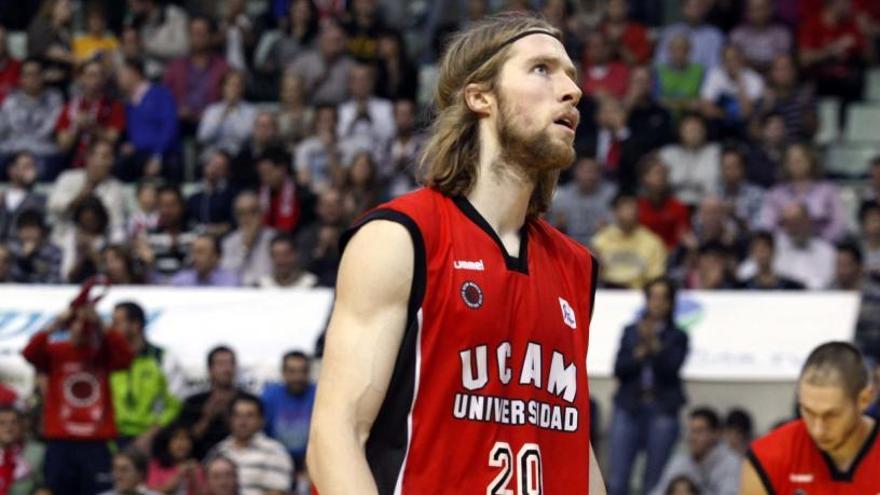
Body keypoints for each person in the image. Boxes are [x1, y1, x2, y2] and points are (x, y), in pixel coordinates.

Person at [308, 13, 606, 495]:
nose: (571, 90)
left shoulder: (576, 265)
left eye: (571, 75)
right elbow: (335, 437)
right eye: (542, 70)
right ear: (480, 96)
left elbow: (572, 444)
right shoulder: (401, 237)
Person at [22, 299, 134, 495]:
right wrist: (56, 323)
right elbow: (29, 352)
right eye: (77, 323)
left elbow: (126, 357)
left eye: (87, 325)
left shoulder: (102, 353)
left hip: (95, 443)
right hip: (61, 441)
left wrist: (101, 324)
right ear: (69, 325)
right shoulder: (56, 351)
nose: (82, 328)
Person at [739, 342, 880, 493]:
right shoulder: (767, 456)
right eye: (808, 411)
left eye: (831, 415)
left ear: (864, 399)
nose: (818, 429)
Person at [608, 277, 689, 495]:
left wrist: (654, 346)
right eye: (653, 297)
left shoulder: (678, 336)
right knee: (617, 480)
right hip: (629, 406)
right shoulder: (630, 332)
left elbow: (672, 368)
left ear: (671, 302)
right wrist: (638, 353)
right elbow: (619, 368)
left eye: (663, 298)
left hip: (662, 409)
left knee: (653, 482)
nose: (657, 303)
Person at [110, 301, 184, 451]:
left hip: (152, 438)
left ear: (136, 325)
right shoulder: (107, 359)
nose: (112, 327)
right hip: (112, 440)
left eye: (117, 322)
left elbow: (175, 403)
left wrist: (150, 435)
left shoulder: (163, 357)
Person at [758, 143, 847, 243]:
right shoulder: (775, 193)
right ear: (785, 164)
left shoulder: (828, 190)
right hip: (783, 249)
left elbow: (839, 223)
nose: (797, 163)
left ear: (811, 161)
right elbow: (766, 225)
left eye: (801, 159)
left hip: (823, 246)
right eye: (792, 160)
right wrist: (784, 244)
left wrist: (820, 243)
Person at [208, 395, 293, 495]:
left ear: (261, 420)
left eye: (250, 415)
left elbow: (279, 492)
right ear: (230, 419)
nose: (242, 421)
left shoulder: (275, 451)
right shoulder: (218, 450)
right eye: (237, 415)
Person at [47, 139, 127, 245]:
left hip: (99, 245)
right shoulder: (68, 178)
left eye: (112, 157)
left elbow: (117, 225)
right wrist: (79, 198)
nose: (110, 162)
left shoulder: (115, 188)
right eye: (105, 157)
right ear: (89, 157)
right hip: (62, 241)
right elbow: (53, 206)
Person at [650, 407, 741, 495]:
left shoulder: (731, 463)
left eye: (699, 431)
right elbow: (659, 492)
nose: (693, 437)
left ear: (716, 434)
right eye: (691, 431)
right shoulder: (679, 462)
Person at [116, 58, 180, 182]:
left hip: (163, 154)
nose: (118, 79)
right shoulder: (128, 104)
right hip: (139, 155)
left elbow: (170, 127)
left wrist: (157, 157)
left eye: (121, 74)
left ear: (133, 73)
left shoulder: (161, 94)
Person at [55, 60, 125, 171]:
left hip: (103, 162)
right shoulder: (70, 107)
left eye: (99, 75)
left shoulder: (114, 106)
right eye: (91, 75)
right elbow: (63, 146)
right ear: (82, 78)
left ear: (104, 80)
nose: (95, 80)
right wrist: (76, 127)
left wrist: (92, 127)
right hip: (73, 161)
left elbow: (113, 139)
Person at [0, 57, 63, 177]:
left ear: (43, 76)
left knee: (47, 165)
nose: (32, 78)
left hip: (42, 150)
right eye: (28, 75)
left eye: (36, 74)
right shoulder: (11, 100)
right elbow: (2, 129)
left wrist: (26, 152)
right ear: (21, 79)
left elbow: (48, 129)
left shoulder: (54, 98)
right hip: (13, 149)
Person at [179, 346, 244, 460]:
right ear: (210, 369)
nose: (226, 369)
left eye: (230, 364)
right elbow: (185, 441)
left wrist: (227, 414)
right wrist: (207, 417)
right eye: (221, 364)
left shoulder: (247, 401)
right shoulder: (193, 402)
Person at [593, 193, 667, 289]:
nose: (628, 212)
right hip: (608, 292)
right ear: (615, 212)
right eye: (624, 208)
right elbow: (594, 274)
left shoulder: (653, 242)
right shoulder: (601, 239)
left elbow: (656, 277)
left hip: (640, 293)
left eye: (632, 208)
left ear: (639, 212)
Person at [261, 351, 316, 471]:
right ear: (283, 373)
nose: (298, 377)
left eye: (303, 371)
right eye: (292, 372)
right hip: (275, 459)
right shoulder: (269, 396)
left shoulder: (319, 394)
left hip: (313, 460)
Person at [549, 157, 616, 247]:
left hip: (601, 245)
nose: (590, 176)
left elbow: (617, 223)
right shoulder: (563, 195)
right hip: (569, 243)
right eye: (586, 171)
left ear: (599, 174)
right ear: (576, 172)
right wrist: (558, 223)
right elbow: (552, 225)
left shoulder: (610, 194)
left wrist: (607, 225)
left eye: (593, 171)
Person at [658, 113, 721, 206]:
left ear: (705, 131)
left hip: (707, 207)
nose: (693, 134)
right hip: (673, 208)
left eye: (697, 129)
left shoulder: (716, 152)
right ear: (679, 131)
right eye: (689, 130)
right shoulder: (668, 153)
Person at [288, 20, 355, 106]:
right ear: (321, 40)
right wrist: (312, 85)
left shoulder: (351, 66)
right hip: (309, 110)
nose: (333, 45)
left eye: (337, 41)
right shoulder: (303, 62)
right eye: (329, 40)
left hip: (341, 112)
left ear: (344, 43)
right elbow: (288, 91)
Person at [196, 71, 256, 158]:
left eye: (237, 85)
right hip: (214, 155)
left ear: (242, 89)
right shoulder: (212, 110)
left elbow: (244, 136)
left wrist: (235, 112)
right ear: (223, 88)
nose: (233, 89)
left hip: (239, 155)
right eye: (230, 85)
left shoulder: (251, 111)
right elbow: (203, 137)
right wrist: (223, 114)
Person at [221, 191, 275, 287]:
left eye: (253, 211)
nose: (247, 217)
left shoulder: (273, 239)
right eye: (242, 213)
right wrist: (245, 247)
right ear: (236, 216)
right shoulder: (229, 242)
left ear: (262, 213)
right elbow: (228, 277)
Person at [655, 0, 725, 70]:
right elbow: (660, 63)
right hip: (672, 78)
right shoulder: (670, 33)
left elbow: (716, 67)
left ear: (705, 8)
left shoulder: (715, 36)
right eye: (690, 6)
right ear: (682, 9)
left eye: (698, 6)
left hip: (707, 79)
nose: (694, 10)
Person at [729, 0, 792, 72]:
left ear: (771, 9)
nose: (757, 13)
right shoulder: (737, 35)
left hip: (774, 78)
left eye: (761, 8)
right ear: (746, 11)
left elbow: (781, 63)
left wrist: (750, 61)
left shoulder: (782, 34)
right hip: (744, 78)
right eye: (753, 9)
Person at [185, 150, 237, 237]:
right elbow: (188, 220)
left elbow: (233, 223)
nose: (213, 169)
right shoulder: (194, 193)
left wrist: (215, 230)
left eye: (219, 167)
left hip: (223, 238)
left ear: (226, 172)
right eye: (211, 164)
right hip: (196, 237)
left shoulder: (231, 194)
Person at [147, 422, 206, 495]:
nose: (181, 443)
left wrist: (194, 478)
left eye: (186, 439)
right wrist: (179, 473)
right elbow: (153, 491)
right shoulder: (156, 464)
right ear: (168, 442)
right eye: (176, 438)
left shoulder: (195, 467)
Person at [7, 209, 62, 284]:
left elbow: (54, 280)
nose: (28, 232)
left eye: (32, 227)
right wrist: (24, 259)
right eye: (24, 228)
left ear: (42, 230)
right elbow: (13, 279)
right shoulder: (13, 250)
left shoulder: (54, 252)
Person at [0, 152, 45, 242]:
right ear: (12, 170)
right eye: (26, 167)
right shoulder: (2, 195)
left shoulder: (40, 199)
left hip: (22, 249)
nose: (31, 171)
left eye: (33, 167)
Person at [0, 405, 45, 495]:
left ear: (22, 426)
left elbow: (47, 486)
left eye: (14, 422)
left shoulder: (38, 453)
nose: (8, 428)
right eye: (2, 423)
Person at [738, 231, 806, 290]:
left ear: (773, 251)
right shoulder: (743, 288)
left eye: (764, 249)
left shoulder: (791, 287)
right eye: (757, 250)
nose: (761, 254)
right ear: (751, 253)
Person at [169, 234, 241, 287]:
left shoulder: (230, 283)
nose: (195, 257)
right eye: (194, 252)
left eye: (201, 252)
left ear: (216, 257)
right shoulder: (180, 282)